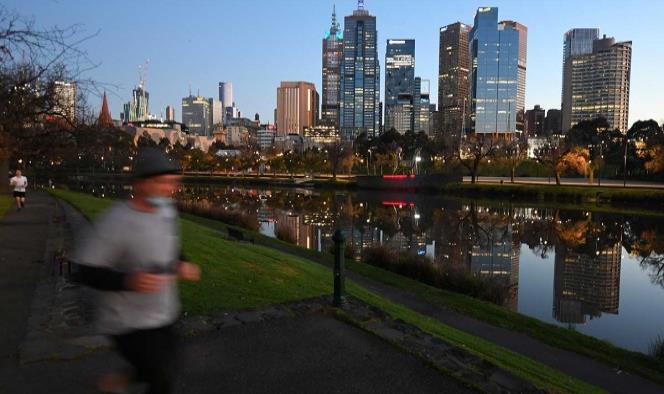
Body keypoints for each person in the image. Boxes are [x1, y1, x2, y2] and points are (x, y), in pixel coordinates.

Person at [72, 148, 201, 394]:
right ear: (141, 184)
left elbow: (170, 245)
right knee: (161, 378)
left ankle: (120, 381)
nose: (170, 189)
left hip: (164, 311)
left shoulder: (166, 211)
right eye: (163, 183)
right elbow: (85, 271)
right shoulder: (115, 221)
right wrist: (128, 280)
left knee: (171, 364)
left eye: (172, 183)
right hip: (127, 322)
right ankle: (126, 380)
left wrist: (182, 262)